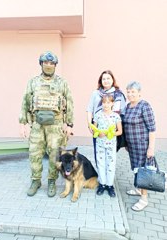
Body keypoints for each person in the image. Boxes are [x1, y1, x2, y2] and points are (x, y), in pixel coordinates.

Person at [19, 51, 74, 198]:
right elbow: (25, 101)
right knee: (34, 154)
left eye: (51, 63)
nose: (48, 66)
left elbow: (69, 103)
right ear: (41, 64)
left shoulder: (62, 83)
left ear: (55, 65)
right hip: (37, 125)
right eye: (45, 63)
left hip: (56, 125)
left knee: (54, 155)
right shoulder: (33, 82)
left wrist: (69, 124)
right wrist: (22, 124)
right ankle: (36, 180)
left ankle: (51, 181)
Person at [123, 81, 156, 211]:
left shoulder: (144, 106)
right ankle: (138, 189)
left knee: (143, 172)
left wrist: (151, 148)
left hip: (143, 145)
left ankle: (144, 199)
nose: (130, 94)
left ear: (139, 93)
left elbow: (152, 129)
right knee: (136, 169)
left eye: (133, 92)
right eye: (128, 92)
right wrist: (126, 143)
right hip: (132, 146)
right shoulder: (127, 106)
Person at [87, 70, 126, 165]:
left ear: (113, 80)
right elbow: (90, 109)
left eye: (108, 78)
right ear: (101, 81)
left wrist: (116, 130)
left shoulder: (118, 94)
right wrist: (89, 125)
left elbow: (122, 113)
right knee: (98, 152)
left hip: (112, 128)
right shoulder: (95, 93)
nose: (106, 80)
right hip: (98, 126)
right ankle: (101, 176)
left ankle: (109, 174)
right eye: (103, 79)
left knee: (110, 154)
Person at [92, 95, 122, 197]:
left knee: (111, 164)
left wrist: (111, 134)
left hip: (111, 145)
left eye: (108, 102)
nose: (106, 105)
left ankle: (110, 185)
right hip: (100, 144)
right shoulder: (98, 115)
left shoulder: (116, 116)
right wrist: (97, 132)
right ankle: (102, 184)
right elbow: (94, 129)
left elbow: (120, 131)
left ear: (112, 104)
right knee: (101, 163)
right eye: (104, 102)